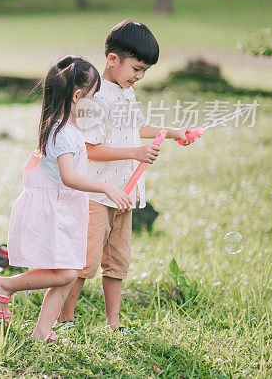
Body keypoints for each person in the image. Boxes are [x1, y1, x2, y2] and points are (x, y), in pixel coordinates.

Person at [0, 56, 132, 342]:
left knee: (67, 271)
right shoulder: (62, 132)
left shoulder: (68, 128)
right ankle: (3, 285)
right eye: (94, 96)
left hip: (66, 209)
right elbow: (68, 177)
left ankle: (42, 332)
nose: (97, 103)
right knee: (65, 273)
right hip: (54, 211)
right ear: (77, 96)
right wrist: (105, 188)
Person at [56, 20, 192, 332]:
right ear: (113, 60)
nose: (140, 76)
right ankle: (65, 320)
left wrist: (170, 132)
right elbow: (91, 149)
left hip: (123, 193)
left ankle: (113, 323)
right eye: (137, 68)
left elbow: (136, 128)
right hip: (95, 195)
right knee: (84, 264)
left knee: (117, 262)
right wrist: (135, 153)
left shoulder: (125, 93)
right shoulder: (93, 97)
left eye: (145, 71)